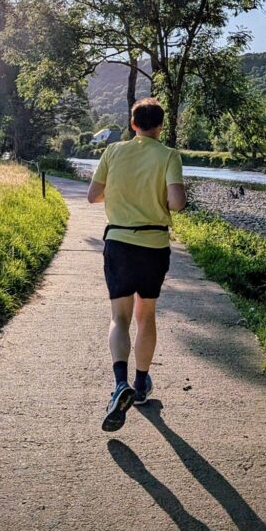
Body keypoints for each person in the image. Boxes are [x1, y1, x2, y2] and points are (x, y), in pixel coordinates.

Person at [87, 98, 187, 432]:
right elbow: (177, 203)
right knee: (146, 316)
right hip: (153, 245)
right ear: (160, 126)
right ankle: (141, 385)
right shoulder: (169, 155)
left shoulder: (113, 152)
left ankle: (119, 384)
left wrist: (117, 196)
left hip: (118, 243)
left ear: (132, 124)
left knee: (120, 318)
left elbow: (93, 195)